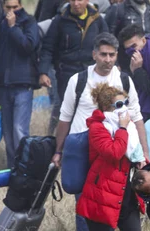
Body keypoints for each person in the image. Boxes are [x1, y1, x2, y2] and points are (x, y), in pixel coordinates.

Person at [52, 33, 149, 231]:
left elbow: (136, 117)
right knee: (84, 197)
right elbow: (64, 117)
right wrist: (58, 150)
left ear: (117, 56)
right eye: (103, 54)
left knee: (109, 196)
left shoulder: (124, 80)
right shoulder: (78, 80)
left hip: (114, 149)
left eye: (112, 55)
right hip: (81, 145)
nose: (107, 59)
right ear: (94, 54)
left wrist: (144, 151)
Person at [76, 83, 146, 231]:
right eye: (119, 104)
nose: (124, 109)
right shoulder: (98, 128)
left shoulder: (126, 128)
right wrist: (124, 129)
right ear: (107, 106)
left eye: (125, 103)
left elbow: (134, 155)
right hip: (102, 197)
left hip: (126, 197)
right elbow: (114, 153)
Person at [38, 0, 108, 135]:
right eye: (73, 0)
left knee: (93, 112)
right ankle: (63, 146)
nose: (76, 3)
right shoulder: (60, 20)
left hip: (92, 73)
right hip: (67, 74)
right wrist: (43, 72)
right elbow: (47, 48)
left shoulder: (97, 19)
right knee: (68, 113)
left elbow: (107, 43)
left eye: (80, 0)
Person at [0, 0, 40, 168]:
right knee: (8, 133)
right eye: (7, 8)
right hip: (4, 85)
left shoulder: (29, 22)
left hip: (23, 83)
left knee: (19, 129)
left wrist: (13, 28)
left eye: (14, 7)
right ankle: (13, 169)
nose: (11, 11)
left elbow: (28, 46)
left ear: (21, 6)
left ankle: (24, 168)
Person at [117, 24, 150, 118]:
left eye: (134, 46)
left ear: (143, 40)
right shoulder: (130, 59)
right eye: (128, 49)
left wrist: (138, 71)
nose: (132, 51)